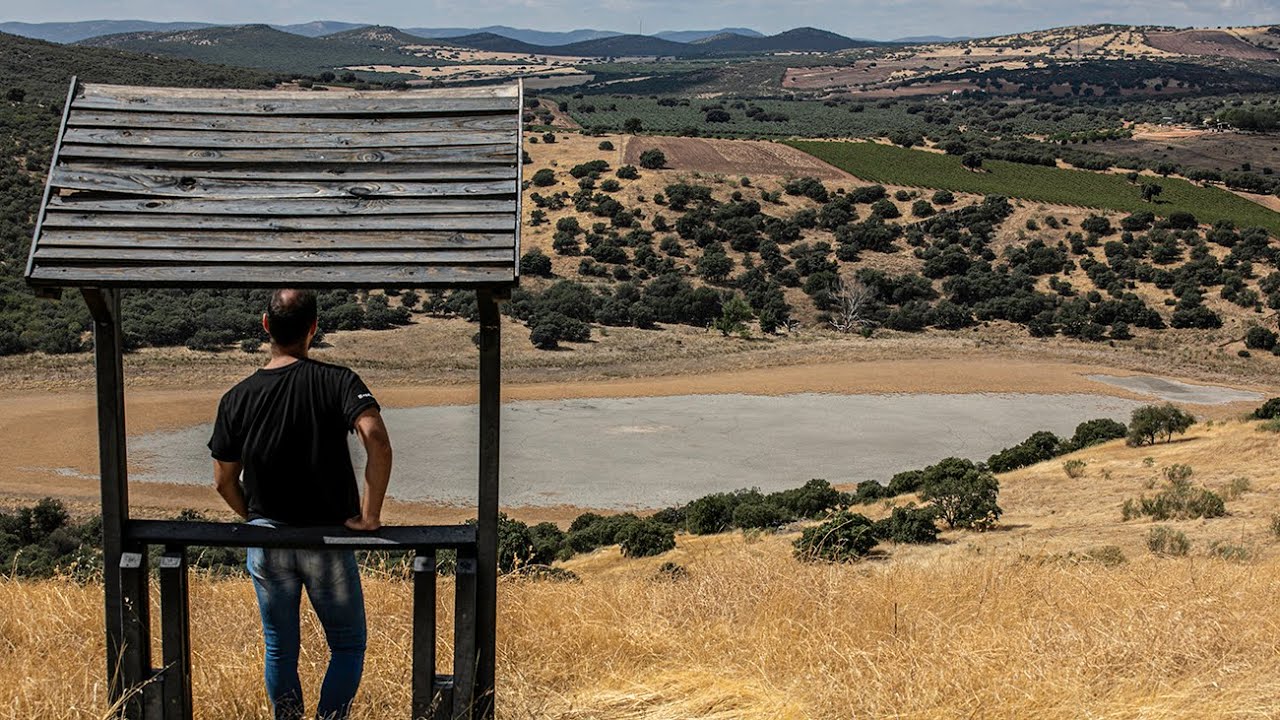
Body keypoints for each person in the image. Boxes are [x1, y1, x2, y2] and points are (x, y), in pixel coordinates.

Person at [208, 288, 392, 720]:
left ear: (265, 325)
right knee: (347, 645)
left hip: (268, 540)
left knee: (280, 648)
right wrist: (370, 516)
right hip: (326, 536)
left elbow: (223, 481)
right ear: (313, 328)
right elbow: (378, 441)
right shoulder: (339, 381)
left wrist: (255, 519)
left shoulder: (236, 396)